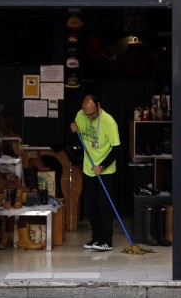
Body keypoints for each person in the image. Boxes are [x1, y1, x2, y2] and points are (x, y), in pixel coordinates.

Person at [70, 93, 120, 251]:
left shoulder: (109, 122)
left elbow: (117, 149)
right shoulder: (81, 114)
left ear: (98, 106)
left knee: (103, 205)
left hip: (105, 170)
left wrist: (102, 166)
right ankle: (96, 238)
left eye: (92, 113)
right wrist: (74, 129)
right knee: (90, 205)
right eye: (87, 113)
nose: (89, 116)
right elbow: (77, 136)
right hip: (88, 168)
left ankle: (107, 240)